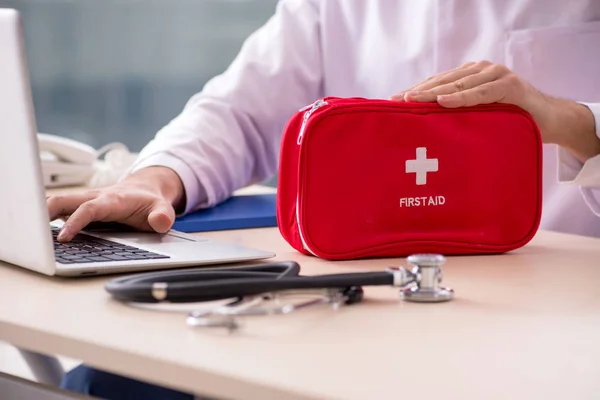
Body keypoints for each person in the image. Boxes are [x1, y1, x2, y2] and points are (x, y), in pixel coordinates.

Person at [51, 0, 600, 398]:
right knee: (117, 378)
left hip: (553, 315)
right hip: (362, 296)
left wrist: (569, 120)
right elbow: (240, 109)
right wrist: (154, 179)